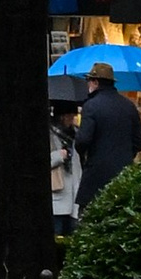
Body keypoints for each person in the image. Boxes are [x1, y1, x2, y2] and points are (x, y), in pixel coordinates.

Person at [77, 60, 141, 208]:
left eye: (88, 80)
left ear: (95, 82)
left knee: (90, 219)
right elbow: (140, 141)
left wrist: (84, 156)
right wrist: (126, 155)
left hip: (96, 175)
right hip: (124, 174)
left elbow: (83, 140)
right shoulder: (128, 106)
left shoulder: (91, 106)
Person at [50, 98, 83, 237]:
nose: (72, 120)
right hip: (57, 192)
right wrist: (59, 155)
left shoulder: (77, 133)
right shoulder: (49, 133)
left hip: (75, 192)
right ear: (61, 116)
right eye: (70, 116)